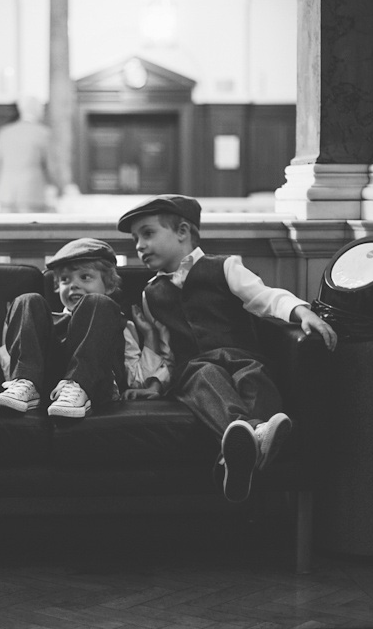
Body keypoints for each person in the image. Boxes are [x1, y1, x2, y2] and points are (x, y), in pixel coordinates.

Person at [118, 194, 338, 502]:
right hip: (193, 368)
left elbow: (265, 297)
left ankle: (236, 458)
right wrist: (155, 384)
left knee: (255, 375)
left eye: (148, 233)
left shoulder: (225, 267)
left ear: (182, 231)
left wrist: (301, 311)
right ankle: (249, 431)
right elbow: (165, 350)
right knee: (206, 374)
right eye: (135, 238)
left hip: (241, 354)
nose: (139, 245)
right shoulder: (151, 294)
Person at [0, 238, 170, 418]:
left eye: (85, 277)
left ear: (109, 286)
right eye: (65, 280)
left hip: (96, 386)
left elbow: (136, 379)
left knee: (98, 303)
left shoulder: (119, 324)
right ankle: (28, 386)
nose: (73, 285)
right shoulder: (45, 322)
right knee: (27, 300)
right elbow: (15, 365)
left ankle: (79, 385)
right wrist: (13, 322)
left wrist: (149, 335)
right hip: (46, 386)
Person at [0, 96, 58, 213]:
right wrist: (59, 188)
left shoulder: (4, 132)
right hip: (32, 194)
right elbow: (51, 166)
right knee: (31, 229)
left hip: (5, 195)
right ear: (35, 109)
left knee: (7, 230)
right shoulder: (42, 133)